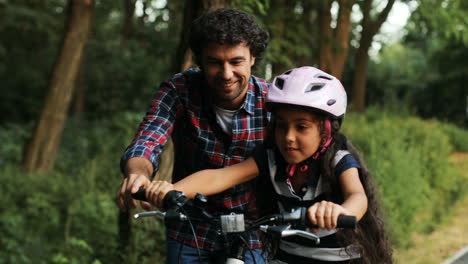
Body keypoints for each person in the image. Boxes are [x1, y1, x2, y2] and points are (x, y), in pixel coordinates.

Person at [146, 66, 394, 264]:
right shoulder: (271, 158)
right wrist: (171, 189)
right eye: (281, 125)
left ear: (326, 130)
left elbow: (357, 197)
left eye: (302, 127)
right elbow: (219, 178)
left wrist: (340, 212)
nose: (288, 136)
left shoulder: (338, 159)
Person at [115, 8, 270, 264]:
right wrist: (139, 174)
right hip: (189, 229)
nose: (226, 73)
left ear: (253, 57)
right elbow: (150, 136)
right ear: (199, 61)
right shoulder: (179, 90)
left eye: (236, 61)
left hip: (251, 232)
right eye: (214, 62)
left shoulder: (272, 101)